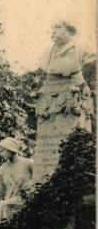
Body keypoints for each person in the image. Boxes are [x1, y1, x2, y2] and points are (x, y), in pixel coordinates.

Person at [33, 20, 95, 184]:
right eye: (52, 28)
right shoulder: (47, 53)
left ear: (69, 29)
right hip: (49, 91)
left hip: (72, 89)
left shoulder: (83, 48)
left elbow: (90, 68)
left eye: (57, 28)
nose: (53, 32)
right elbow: (43, 70)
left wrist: (81, 82)